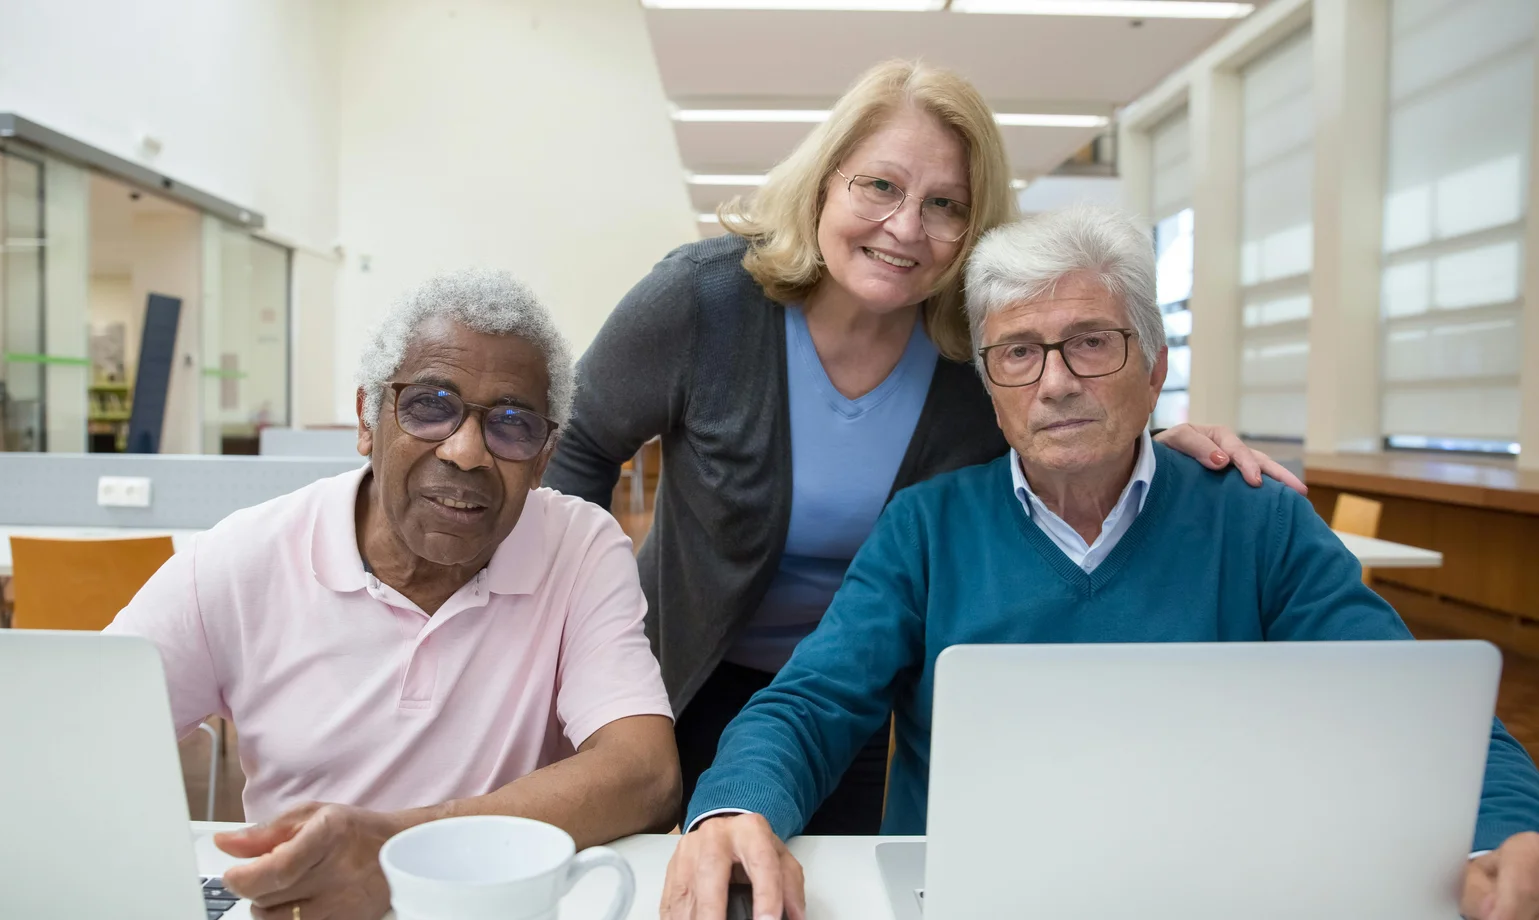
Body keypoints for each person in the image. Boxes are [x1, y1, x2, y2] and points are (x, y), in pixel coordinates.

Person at [659, 206, 1539, 920]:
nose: (1055, 382)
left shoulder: (1258, 521)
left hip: (1213, 893)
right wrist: (736, 805)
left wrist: (1503, 837)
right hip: (969, 900)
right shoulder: (925, 528)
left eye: (1090, 341)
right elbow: (811, 702)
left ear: (1152, 370)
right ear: (993, 389)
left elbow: (1414, 712)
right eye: (1018, 352)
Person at [544, 59, 1305, 837]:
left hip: (863, 675)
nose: (905, 227)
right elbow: (580, 447)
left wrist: (1157, 444)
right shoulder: (703, 300)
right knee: (665, 858)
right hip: (682, 663)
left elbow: (1063, 405)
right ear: (823, 182)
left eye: (945, 205)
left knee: (831, 862)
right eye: (878, 186)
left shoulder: (972, 348)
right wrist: (572, 644)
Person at [106, 269, 680, 920]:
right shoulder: (244, 557)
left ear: (543, 457)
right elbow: (83, 740)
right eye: (430, 405)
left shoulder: (577, 547)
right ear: (365, 419)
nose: (465, 453)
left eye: (512, 425)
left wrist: (398, 853)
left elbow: (645, 773)